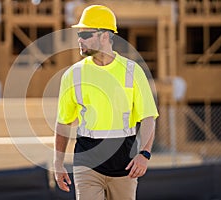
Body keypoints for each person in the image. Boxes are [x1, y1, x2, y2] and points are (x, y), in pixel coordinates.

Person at [54, 4, 159, 200]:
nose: (79, 39)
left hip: (124, 164)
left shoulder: (132, 71)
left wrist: (144, 154)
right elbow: (63, 122)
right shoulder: (73, 75)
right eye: (79, 34)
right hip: (87, 162)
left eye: (86, 35)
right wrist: (58, 164)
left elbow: (148, 117)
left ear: (104, 36)